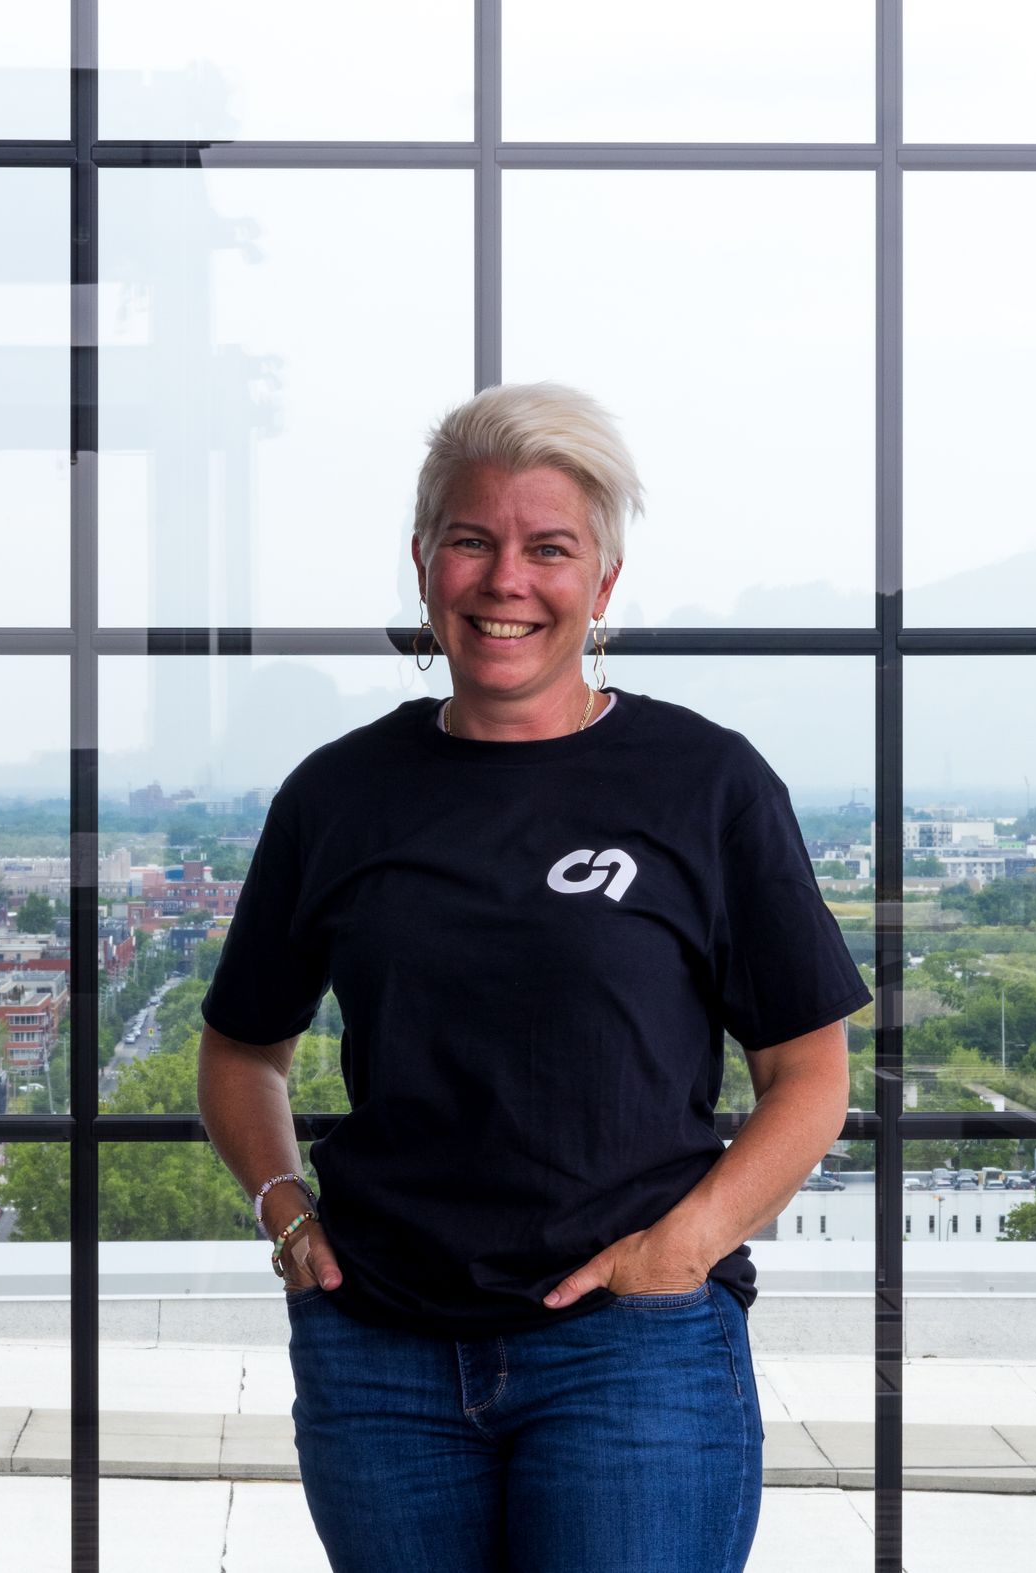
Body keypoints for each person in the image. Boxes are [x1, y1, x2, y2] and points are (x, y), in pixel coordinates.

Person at [197, 381, 870, 1572]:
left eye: (549, 549)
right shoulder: (337, 796)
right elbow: (242, 1048)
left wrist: (684, 1248)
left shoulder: (705, 784)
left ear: (601, 584)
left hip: (632, 1352)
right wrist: (284, 1210)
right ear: (425, 565)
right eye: (472, 541)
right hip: (379, 1356)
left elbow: (809, 1074)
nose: (506, 579)